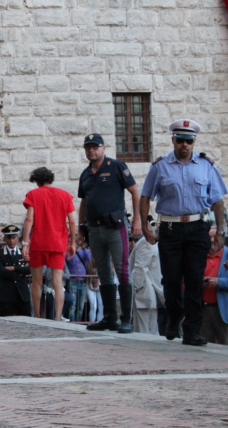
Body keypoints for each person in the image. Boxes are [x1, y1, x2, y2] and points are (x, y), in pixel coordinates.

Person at [140, 118, 228, 346]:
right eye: (180, 140)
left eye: (188, 141)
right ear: (173, 141)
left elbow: (218, 201)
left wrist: (220, 231)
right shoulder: (160, 167)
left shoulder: (206, 166)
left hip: (198, 227)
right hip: (170, 227)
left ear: (194, 142)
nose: (184, 145)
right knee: (171, 279)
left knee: (194, 280)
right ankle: (174, 315)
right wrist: (144, 225)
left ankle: (192, 330)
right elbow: (145, 197)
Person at [78, 133, 142, 334]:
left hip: (115, 226)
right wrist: (81, 227)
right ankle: (109, 318)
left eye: (95, 147)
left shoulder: (116, 167)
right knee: (103, 272)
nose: (91, 150)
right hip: (94, 228)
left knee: (122, 270)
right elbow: (84, 202)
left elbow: (134, 191)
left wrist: (138, 220)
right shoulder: (85, 174)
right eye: (88, 147)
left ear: (103, 148)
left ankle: (126, 319)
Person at [22, 167, 77, 321]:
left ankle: (38, 316)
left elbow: (29, 220)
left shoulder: (33, 195)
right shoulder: (65, 196)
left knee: (37, 283)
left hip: (38, 244)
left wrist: (25, 243)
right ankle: (58, 318)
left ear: (37, 181)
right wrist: (72, 243)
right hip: (58, 244)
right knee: (58, 283)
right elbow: (72, 221)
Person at [202, 228, 228, 346]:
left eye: (216, 237)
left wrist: (219, 282)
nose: (212, 240)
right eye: (209, 237)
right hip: (204, 310)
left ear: (223, 238)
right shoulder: (199, 257)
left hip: (224, 310)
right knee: (203, 349)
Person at [130, 222, 164, 335]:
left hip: (144, 294)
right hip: (149, 293)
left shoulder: (146, 243)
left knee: (142, 332)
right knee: (152, 331)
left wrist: (135, 288)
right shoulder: (151, 243)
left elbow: (139, 270)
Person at [0, 225, 31, 317]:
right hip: (7, 295)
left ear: (17, 239)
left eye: (14, 238)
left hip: (22, 294)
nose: (11, 240)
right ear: (5, 239)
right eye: (9, 238)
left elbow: (30, 269)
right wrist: (20, 273)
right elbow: (1, 271)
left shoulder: (23, 253)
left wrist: (15, 268)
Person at [66, 234, 92, 322]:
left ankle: (79, 322)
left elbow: (89, 258)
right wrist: (73, 250)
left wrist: (84, 248)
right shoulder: (68, 252)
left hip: (83, 282)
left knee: (81, 307)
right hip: (73, 281)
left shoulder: (83, 251)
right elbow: (71, 261)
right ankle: (73, 323)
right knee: (73, 306)